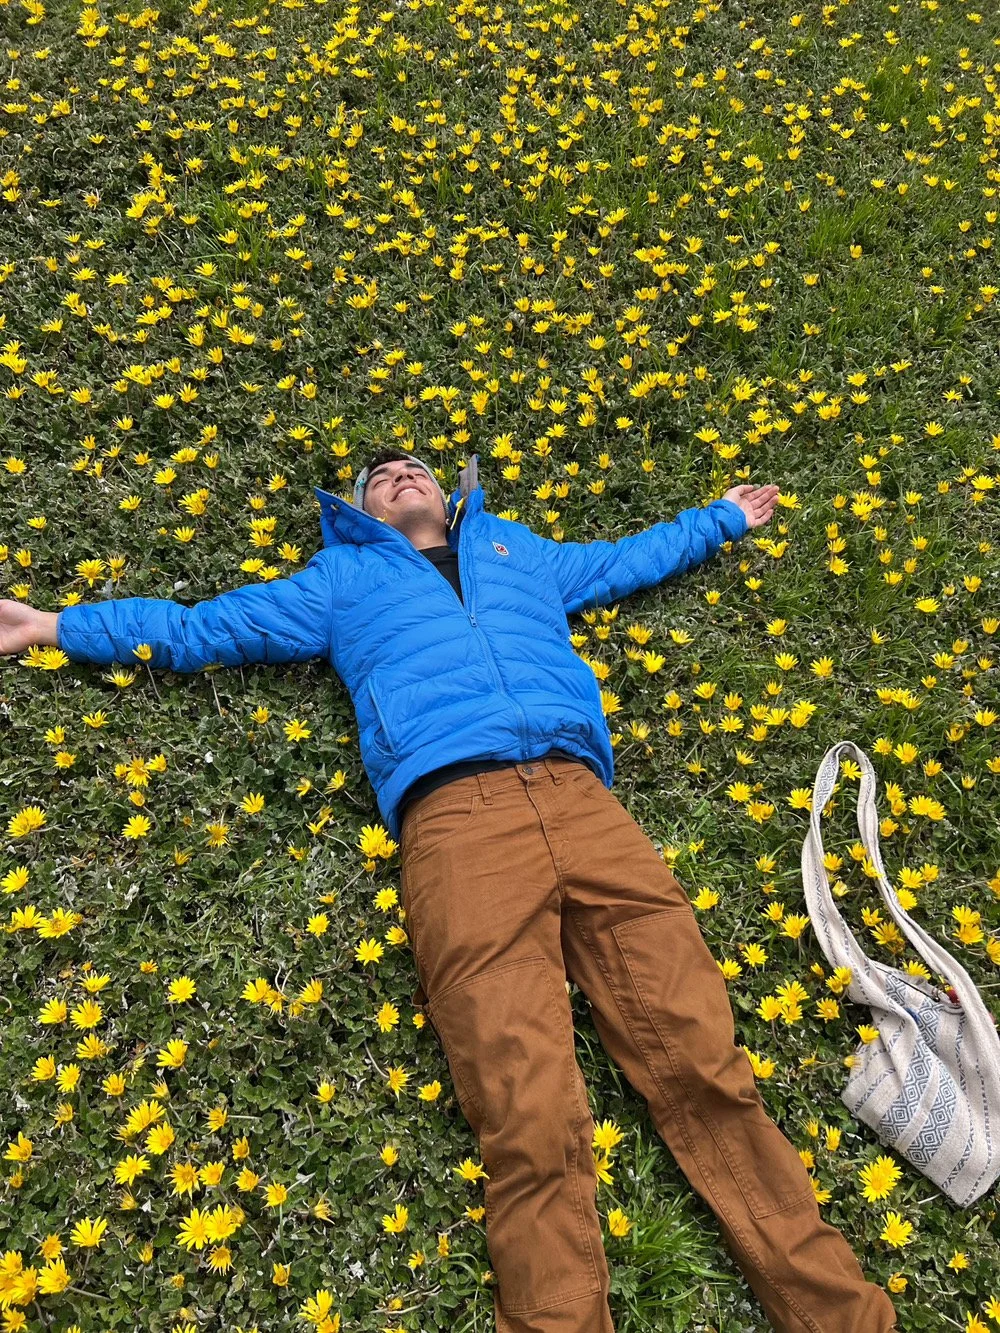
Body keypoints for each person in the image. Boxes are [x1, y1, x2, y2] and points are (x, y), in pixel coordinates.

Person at [0, 450, 897, 1333]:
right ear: (359, 511)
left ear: (447, 490)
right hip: (458, 826)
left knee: (707, 1070)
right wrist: (52, 625)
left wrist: (721, 519)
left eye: (415, 467)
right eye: (378, 477)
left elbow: (623, 560)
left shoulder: (517, 550)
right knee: (526, 1115)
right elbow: (202, 627)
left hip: (586, 806)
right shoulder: (340, 581)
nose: (400, 473)